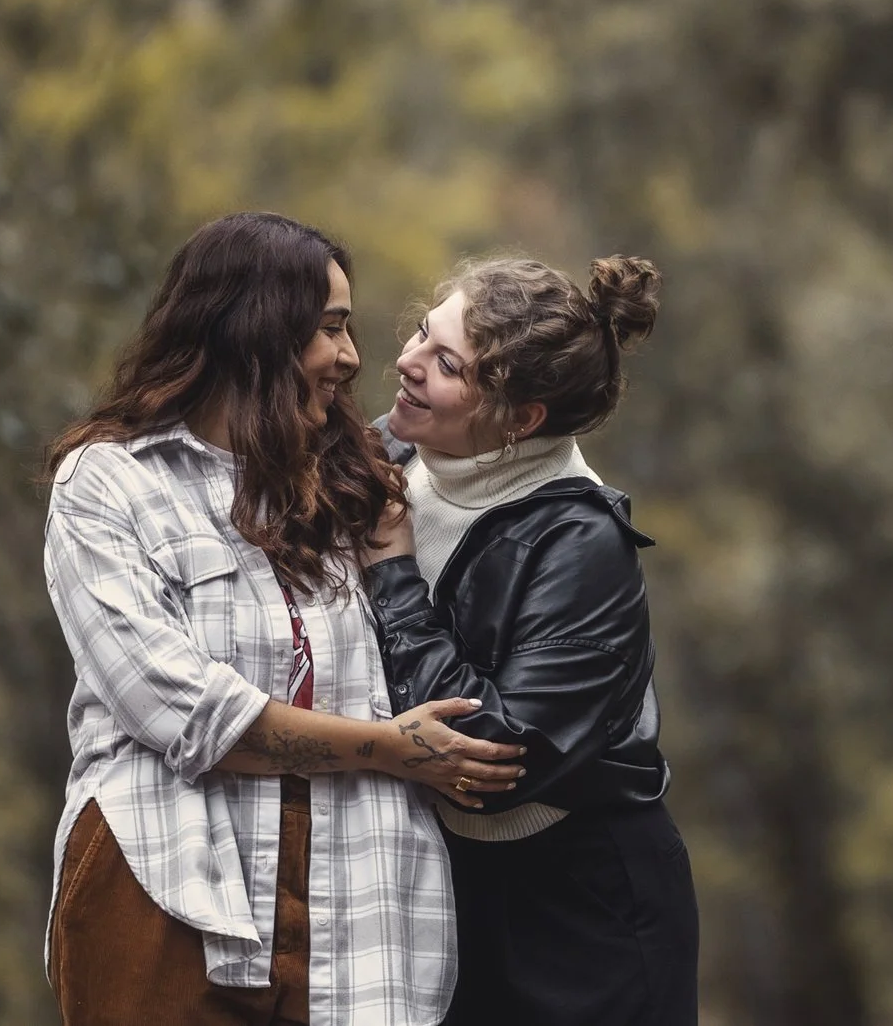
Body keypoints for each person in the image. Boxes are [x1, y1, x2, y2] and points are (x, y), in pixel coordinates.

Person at [42, 211, 526, 1026]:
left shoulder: (353, 486)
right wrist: (395, 750)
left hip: (361, 906)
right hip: (169, 888)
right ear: (254, 331)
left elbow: (499, 438)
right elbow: (186, 711)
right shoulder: (108, 484)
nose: (352, 358)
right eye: (331, 328)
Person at [362, 254, 698, 1026]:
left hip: (584, 908)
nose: (407, 362)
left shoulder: (580, 542)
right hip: (452, 880)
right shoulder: (384, 454)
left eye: (447, 363)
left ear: (521, 419)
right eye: (423, 330)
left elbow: (494, 752)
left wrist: (393, 571)